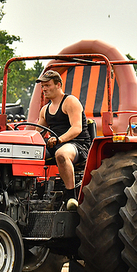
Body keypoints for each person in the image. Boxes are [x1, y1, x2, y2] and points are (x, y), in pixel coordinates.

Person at [34, 70, 91, 209]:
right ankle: (32, 192)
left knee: (62, 154)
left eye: (47, 85)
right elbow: (37, 133)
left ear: (58, 85)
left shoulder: (70, 101)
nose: (44, 89)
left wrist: (59, 140)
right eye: (42, 86)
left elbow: (77, 128)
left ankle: (70, 197)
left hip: (77, 144)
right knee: (30, 154)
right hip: (56, 144)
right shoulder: (44, 110)